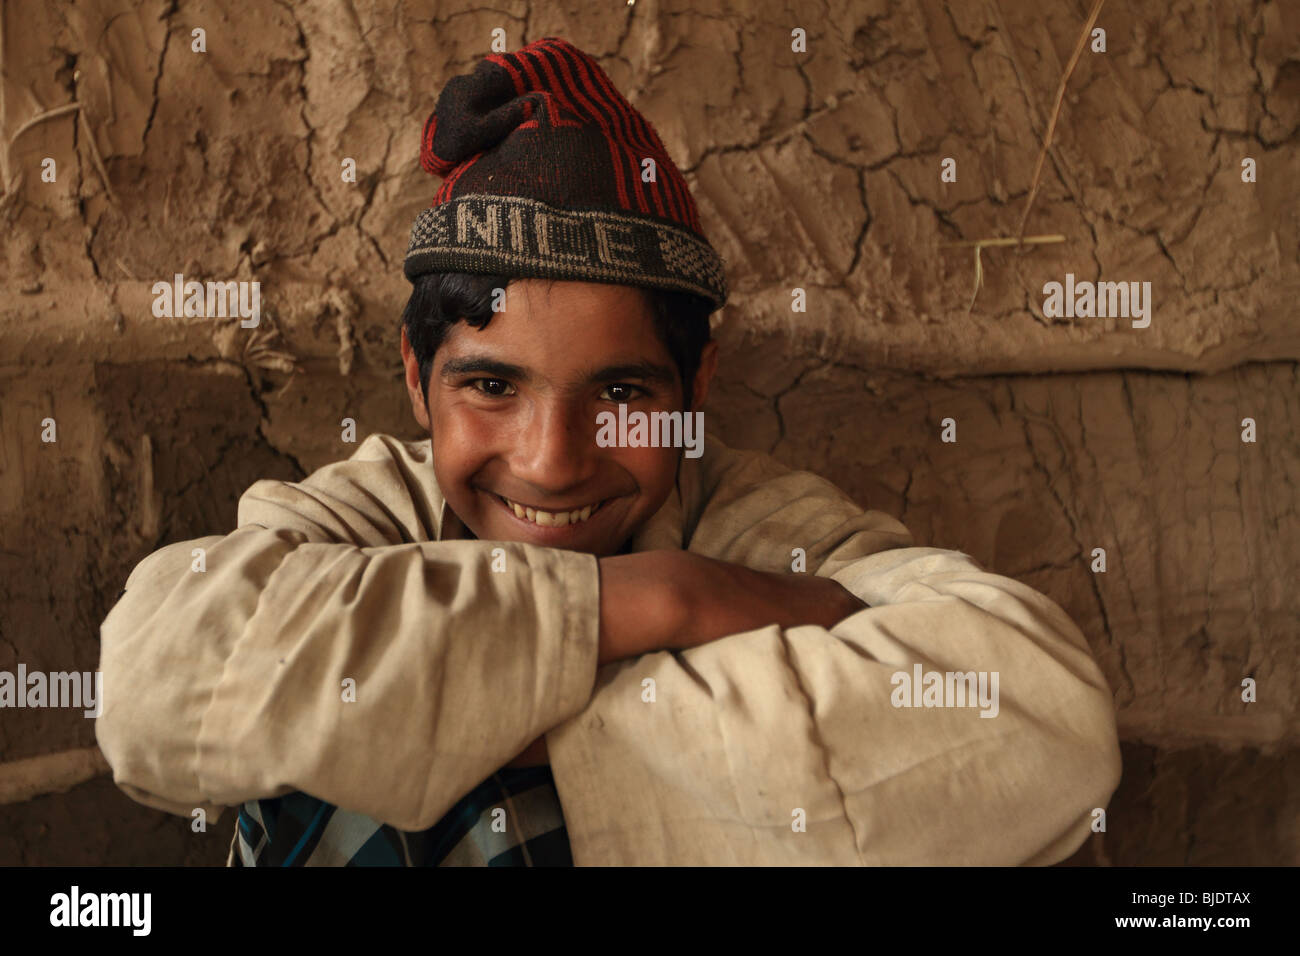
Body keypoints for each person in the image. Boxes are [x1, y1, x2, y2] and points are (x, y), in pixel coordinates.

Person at [95, 37, 1122, 866]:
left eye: (623, 392)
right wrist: (665, 603)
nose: (550, 462)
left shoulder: (763, 526)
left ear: (696, 387)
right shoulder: (373, 509)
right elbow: (157, 681)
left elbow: (1043, 716)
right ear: (416, 377)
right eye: (491, 386)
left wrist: (445, 704)